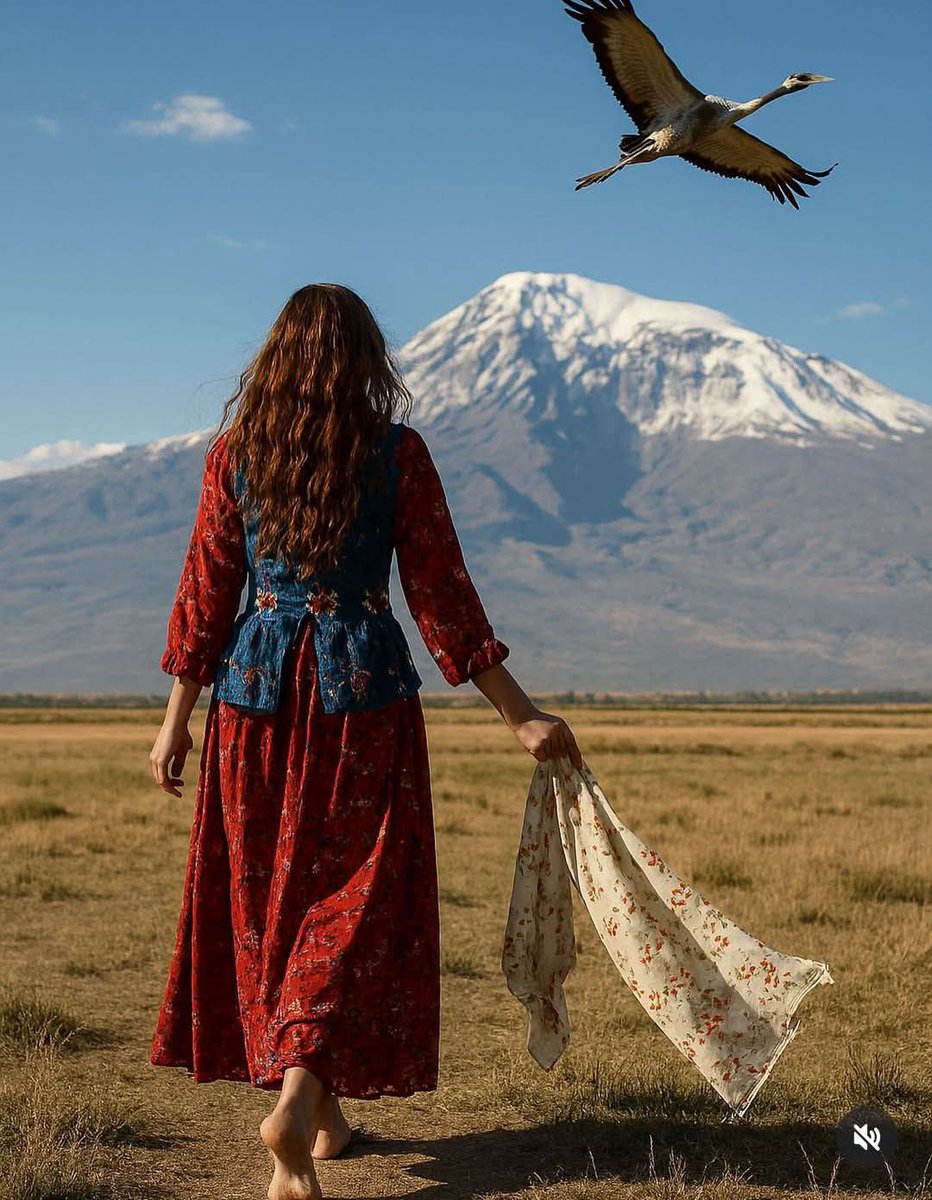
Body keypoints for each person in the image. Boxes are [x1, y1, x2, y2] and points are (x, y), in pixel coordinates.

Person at [147, 282, 582, 1200]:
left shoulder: (236, 455)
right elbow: (442, 598)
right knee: (355, 903)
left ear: (278, 358)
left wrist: (175, 720)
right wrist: (521, 714)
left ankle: (313, 1108)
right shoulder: (396, 454)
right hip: (361, 702)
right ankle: (305, 1108)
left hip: (252, 706)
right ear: (364, 361)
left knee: (274, 905)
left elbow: (206, 593)